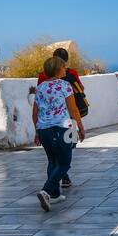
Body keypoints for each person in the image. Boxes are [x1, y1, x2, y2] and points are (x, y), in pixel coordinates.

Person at [33, 55, 85, 211]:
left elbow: (35, 113)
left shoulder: (40, 87)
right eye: (63, 67)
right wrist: (80, 126)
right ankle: (46, 191)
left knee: (52, 161)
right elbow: (73, 109)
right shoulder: (65, 85)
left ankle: (54, 196)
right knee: (64, 163)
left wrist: (37, 131)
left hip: (44, 129)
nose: (65, 69)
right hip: (63, 127)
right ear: (58, 69)